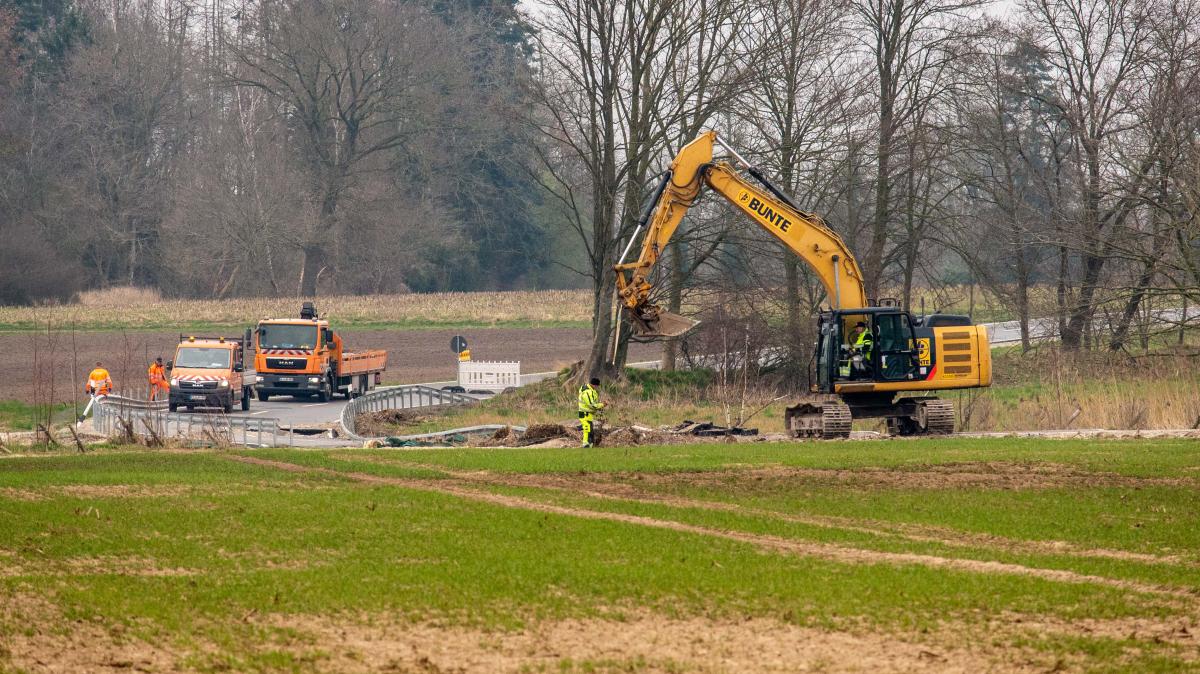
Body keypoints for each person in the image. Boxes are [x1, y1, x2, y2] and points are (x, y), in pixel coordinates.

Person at [577, 377, 606, 447]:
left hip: (587, 414)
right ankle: (585, 444)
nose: (597, 387)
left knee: (590, 430)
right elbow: (592, 405)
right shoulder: (588, 392)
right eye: (597, 386)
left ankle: (589, 444)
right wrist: (602, 405)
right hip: (585, 413)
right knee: (587, 428)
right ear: (594, 385)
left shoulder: (588, 388)